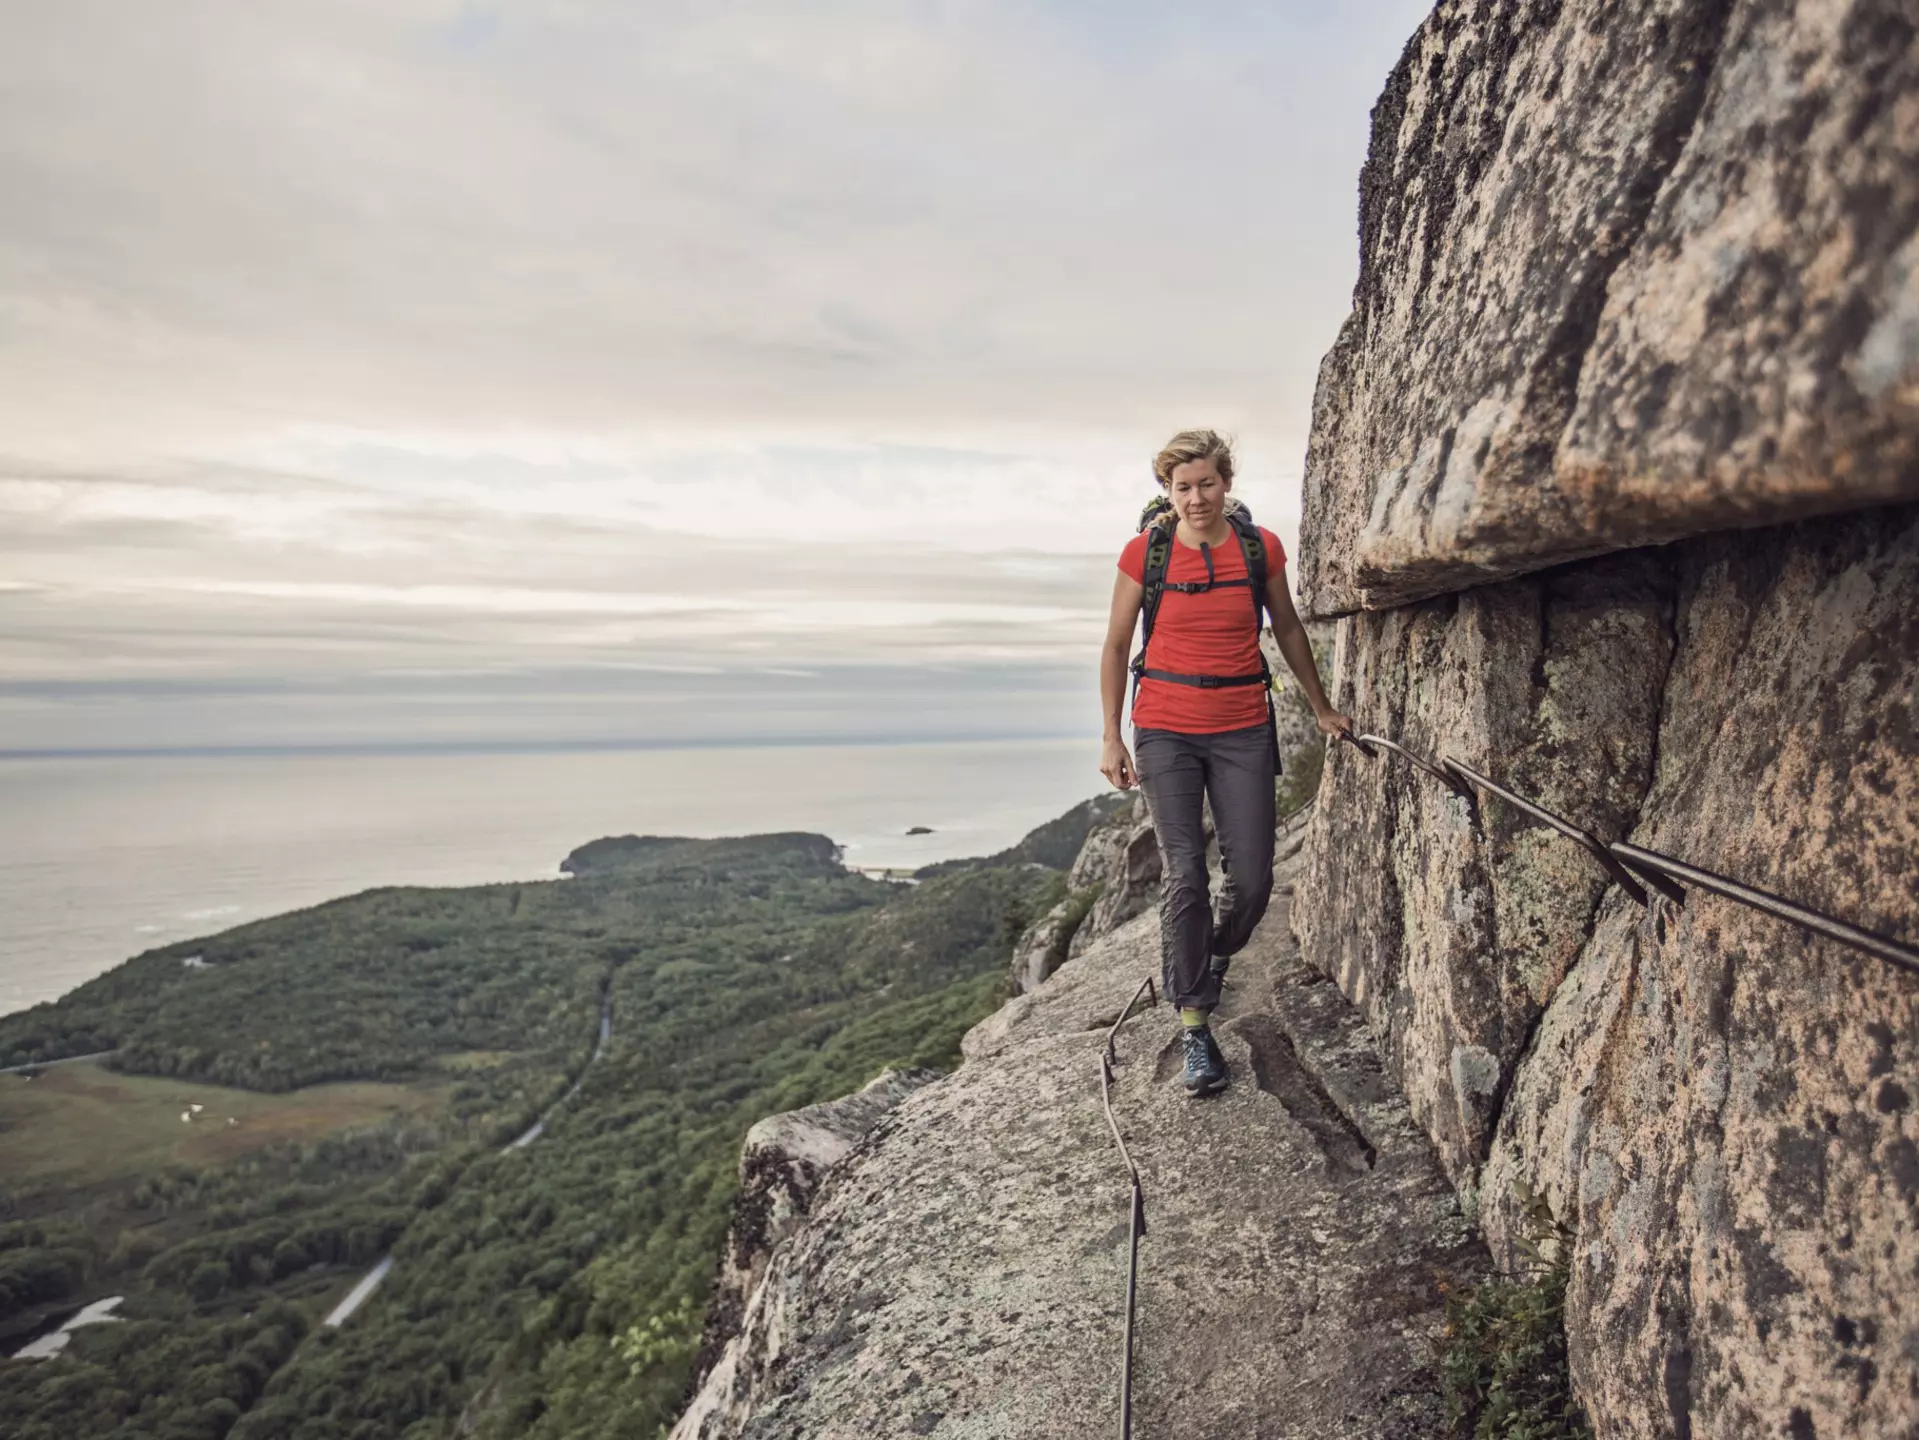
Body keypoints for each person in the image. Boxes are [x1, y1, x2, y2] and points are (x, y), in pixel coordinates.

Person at [1098, 429, 1352, 1097]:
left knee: (1253, 879)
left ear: (1225, 482)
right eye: (1182, 487)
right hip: (1163, 731)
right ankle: (1193, 1025)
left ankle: (1210, 954)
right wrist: (1109, 737)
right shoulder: (1144, 552)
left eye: (1206, 483)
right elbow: (1117, 641)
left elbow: (1288, 627)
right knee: (1184, 874)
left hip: (1241, 726)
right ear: (1167, 492)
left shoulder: (1257, 547)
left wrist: (1321, 707)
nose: (1195, 497)